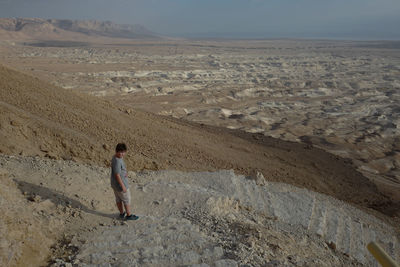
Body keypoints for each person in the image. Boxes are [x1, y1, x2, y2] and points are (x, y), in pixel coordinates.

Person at [110, 143, 139, 220]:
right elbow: (117, 175)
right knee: (126, 199)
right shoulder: (117, 161)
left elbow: (118, 171)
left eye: (123, 152)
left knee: (118, 199)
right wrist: (123, 186)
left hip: (115, 184)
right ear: (116, 151)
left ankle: (122, 213)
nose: (122, 154)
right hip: (120, 185)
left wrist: (124, 173)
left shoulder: (116, 157)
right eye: (120, 152)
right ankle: (129, 215)